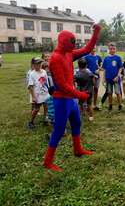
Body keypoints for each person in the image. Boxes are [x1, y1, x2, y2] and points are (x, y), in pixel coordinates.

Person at [43, 24, 101, 172]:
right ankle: (48, 161)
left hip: (70, 99)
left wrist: (96, 32)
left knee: (76, 123)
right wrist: (80, 94)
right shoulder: (55, 59)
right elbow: (62, 85)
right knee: (59, 129)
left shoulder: (68, 53)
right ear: (65, 42)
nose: (74, 45)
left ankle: (77, 149)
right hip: (61, 99)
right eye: (72, 42)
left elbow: (87, 49)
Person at [27, 57, 49, 129]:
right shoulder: (32, 74)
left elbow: (46, 82)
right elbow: (30, 86)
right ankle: (31, 121)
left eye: (40, 63)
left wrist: (48, 90)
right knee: (36, 109)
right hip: (37, 95)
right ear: (33, 64)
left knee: (46, 107)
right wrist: (33, 96)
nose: (39, 65)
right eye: (37, 63)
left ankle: (45, 119)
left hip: (45, 93)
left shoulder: (44, 72)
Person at [101, 43, 123, 111]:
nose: (112, 50)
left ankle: (120, 105)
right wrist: (103, 78)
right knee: (109, 93)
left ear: (115, 49)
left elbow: (120, 68)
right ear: (109, 49)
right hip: (108, 79)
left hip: (116, 79)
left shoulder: (118, 58)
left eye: (113, 49)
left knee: (117, 92)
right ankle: (110, 105)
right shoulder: (106, 58)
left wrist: (118, 76)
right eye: (111, 49)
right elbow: (104, 69)